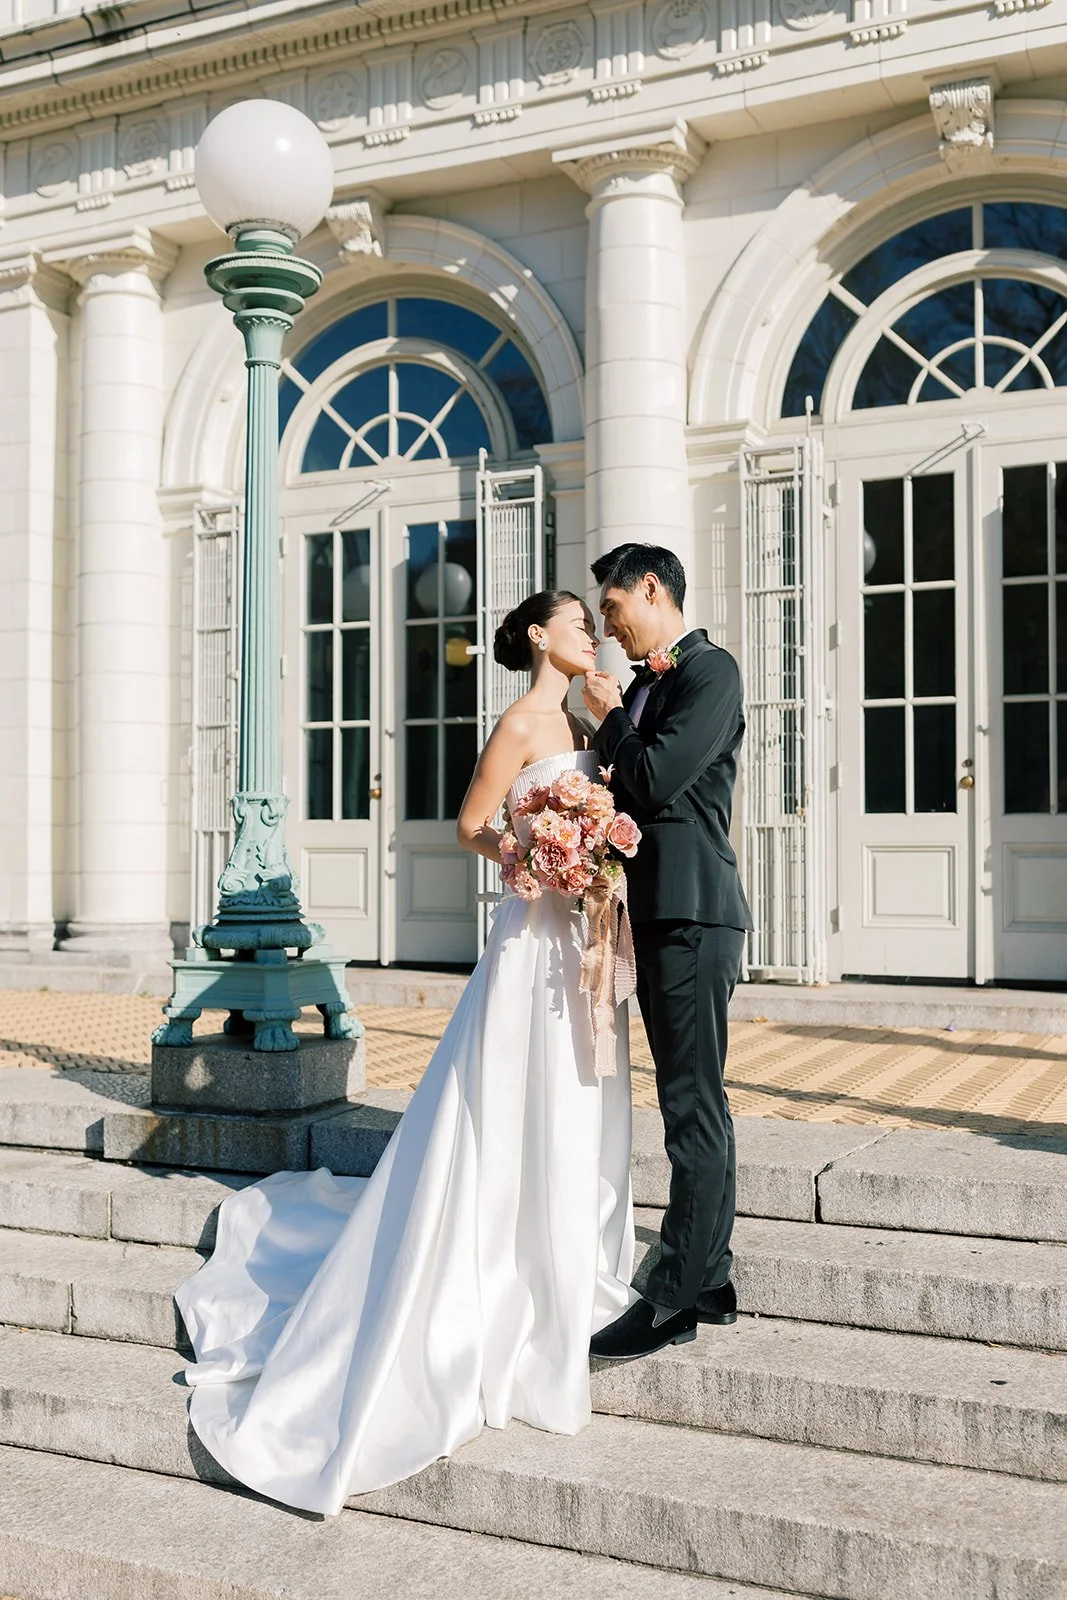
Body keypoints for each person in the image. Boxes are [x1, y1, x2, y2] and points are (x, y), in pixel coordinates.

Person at [174, 590, 637, 1517]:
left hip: (582, 936)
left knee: (581, 1092)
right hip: (527, 937)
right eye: (579, 621)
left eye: (598, 619)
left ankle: (569, 1257)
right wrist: (536, 854)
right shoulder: (518, 721)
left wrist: (591, 857)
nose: (593, 633)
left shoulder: (593, 713)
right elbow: (471, 824)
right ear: (539, 635)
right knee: (510, 1098)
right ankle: (496, 1270)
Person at [581, 542, 752, 1363]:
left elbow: (651, 780)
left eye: (613, 608)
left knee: (691, 1107)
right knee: (690, 1100)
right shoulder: (650, 681)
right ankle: (711, 1278)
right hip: (655, 913)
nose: (609, 628)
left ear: (651, 590)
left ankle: (673, 1295)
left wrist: (610, 716)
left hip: (691, 915)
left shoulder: (708, 672)